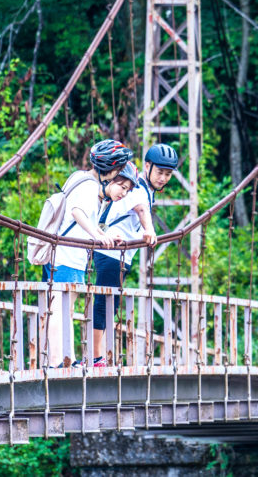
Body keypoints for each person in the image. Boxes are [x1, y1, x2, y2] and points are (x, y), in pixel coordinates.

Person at [44, 139, 133, 368]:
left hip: (66, 256)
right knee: (61, 309)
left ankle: (66, 359)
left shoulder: (79, 177)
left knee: (65, 308)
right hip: (66, 257)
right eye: (119, 173)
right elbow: (77, 212)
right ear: (112, 169)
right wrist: (95, 234)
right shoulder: (90, 186)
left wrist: (103, 235)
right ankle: (58, 362)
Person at [91, 143, 178, 366]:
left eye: (168, 174)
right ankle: (97, 356)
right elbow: (141, 209)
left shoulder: (145, 190)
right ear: (147, 166)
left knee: (111, 302)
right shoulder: (138, 188)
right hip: (111, 252)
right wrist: (149, 229)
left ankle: (103, 354)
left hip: (119, 254)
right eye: (160, 172)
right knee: (104, 302)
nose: (163, 178)